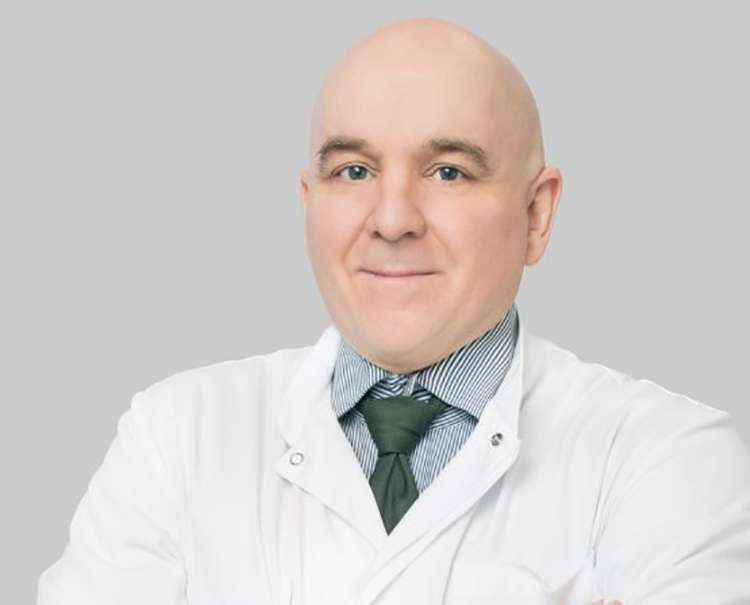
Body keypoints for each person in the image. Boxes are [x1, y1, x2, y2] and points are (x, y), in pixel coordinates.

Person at [37, 17, 750, 605]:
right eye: (354, 170)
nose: (392, 218)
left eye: (449, 172)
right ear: (309, 204)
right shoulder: (174, 437)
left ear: (536, 215)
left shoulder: (666, 458)